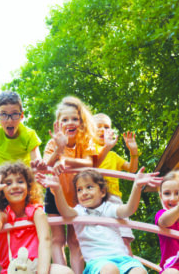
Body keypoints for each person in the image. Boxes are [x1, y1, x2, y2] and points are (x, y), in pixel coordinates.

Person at [36, 168, 162, 274]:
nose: (84, 193)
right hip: (98, 263)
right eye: (79, 189)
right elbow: (65, 211)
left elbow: (129, 209)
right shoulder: (79, 212)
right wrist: (57, 189)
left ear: (102, 191)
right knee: (110, 269)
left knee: (139, 271)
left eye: (89, 187)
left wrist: (137, 187)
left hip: (123, 259)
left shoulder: (109, 208)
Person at [0, 91, 45, 273]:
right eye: (4, 114)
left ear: (21, 115)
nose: (9, 120)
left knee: (35, 224)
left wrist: (38, 163)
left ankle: (37, 263)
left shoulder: (28, 134)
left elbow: (37, 157)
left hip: (24, 186)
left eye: (14, 114)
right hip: (4, 187)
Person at [0, 161, 74, 274]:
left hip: (36, 268)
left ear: (28, 186)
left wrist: (42, 272)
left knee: (64, 272)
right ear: (1, 190)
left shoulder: (36, 212)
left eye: (20, 181)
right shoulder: (4, 215)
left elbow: (45, 240)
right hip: (12, 270)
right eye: (8, 183)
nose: (15, 186)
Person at [43, 96, 97, 273]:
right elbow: (45, 166)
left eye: (74, 118)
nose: (70, 123)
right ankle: (62, 271)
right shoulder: (53, 143)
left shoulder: (85, 140)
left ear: (81, 122)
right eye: (64, 120)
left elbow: (90, 163)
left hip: (77, 197)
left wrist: (65, 160)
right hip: (55, 193)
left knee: (74, 240)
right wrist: (59, 150)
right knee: (57, 238)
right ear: (58, 124)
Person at [93, 113, 139, 255]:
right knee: (97, 240)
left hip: (114, 200)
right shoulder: (89, 152)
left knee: (123, 238)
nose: (102, 130)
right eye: (98, 126)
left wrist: (133, 152)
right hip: (94, 201)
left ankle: (130, 267)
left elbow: (132, 169)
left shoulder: (113, 156)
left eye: (106, 127)